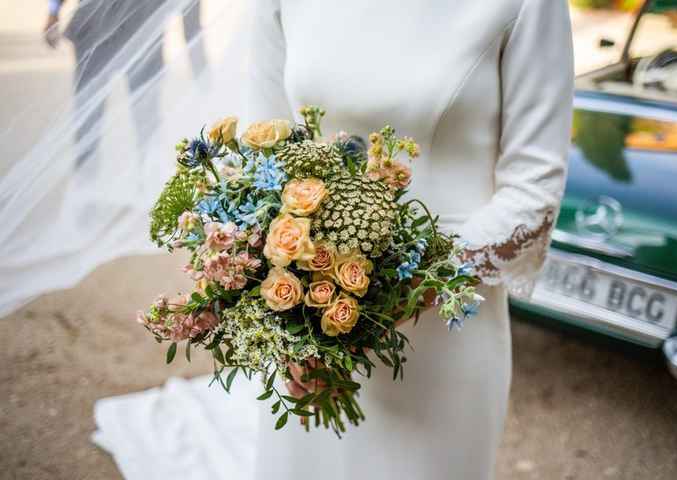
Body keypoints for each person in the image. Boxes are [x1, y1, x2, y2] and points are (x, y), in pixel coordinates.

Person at [247, 0, 573, 478]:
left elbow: (535, 191)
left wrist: (385, 300)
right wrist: (289, 316)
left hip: (445, 331)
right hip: (308, 330)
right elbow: (263, 154)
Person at [43, 0, 206, 167]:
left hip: (131, 33)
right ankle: (88, 180)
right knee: (91, 119)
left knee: (144, 121)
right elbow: (191, 20)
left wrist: (53, 12)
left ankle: (140, 179)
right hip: (120, 31)